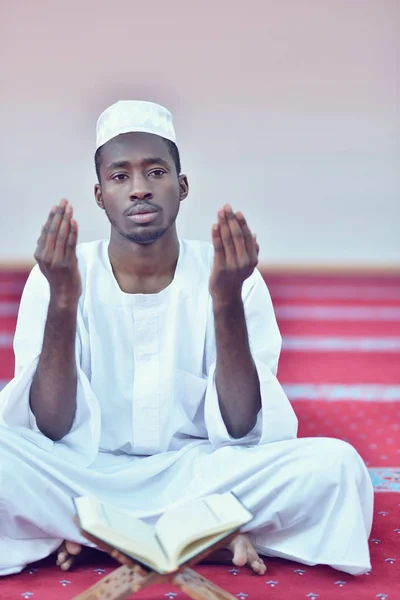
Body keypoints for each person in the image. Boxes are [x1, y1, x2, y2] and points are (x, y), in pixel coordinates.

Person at [0, 100, 373, 578]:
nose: (139, 189)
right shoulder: (61, 276)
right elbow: (50, 428)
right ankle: (208, 537)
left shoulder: (229, 276)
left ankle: (89, 536)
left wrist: (225, 301)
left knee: (337, 468)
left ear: (182, 186)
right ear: (98, 194)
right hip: (85, 474)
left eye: (155, 172)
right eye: (120, 177)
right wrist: (64, 303)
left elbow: (241, 429)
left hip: (201, 475)